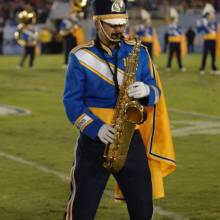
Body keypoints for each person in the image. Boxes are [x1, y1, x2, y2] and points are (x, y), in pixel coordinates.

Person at [63, 0, 176, 219]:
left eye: (121, 23)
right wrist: (96, 129)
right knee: (82, 209)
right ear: (97, 23)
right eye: (112, 24)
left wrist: (146, 90)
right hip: (95, 141)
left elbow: (156, 92)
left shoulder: (139, 52)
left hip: (130, 137)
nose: (118, 29)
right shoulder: (79, 56)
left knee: (144, 205)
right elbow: (71, 102)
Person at [196, 3, 220, 75]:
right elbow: (199, 30)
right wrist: (204, 17)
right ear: (208, 15)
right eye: (211, 14)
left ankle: (213, 68)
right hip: (207, 40)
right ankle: (202, 68)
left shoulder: (215, 23)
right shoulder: (205, 22)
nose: (213, 15)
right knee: (205, 54)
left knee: (213, 55)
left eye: (213, 14)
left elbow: (216, 30)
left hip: (213, 40)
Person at [166, 8, 187, 72]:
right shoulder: (170, 26)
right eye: (176, 19)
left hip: (178, 42)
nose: (177, 20)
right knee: (171, 55)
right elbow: (170, 33)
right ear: (174, 19)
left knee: (178, 55)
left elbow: (180, 33)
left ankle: (180, 66)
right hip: (172, 42)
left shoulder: (177, 26)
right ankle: (168, 66)